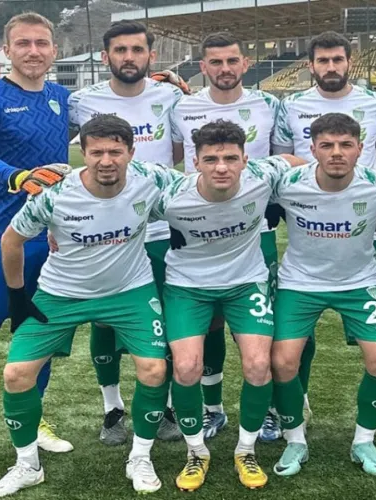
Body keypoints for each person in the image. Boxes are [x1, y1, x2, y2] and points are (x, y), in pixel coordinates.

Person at [0, 114, 181, 498]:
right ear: (83, 154)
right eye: (96, 153)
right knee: (16, 374)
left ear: (131, 152)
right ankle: (27, 465)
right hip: (61, 294)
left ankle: (140, 457)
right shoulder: (56, 194)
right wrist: (17, 297)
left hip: (129, 291)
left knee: (155, 369)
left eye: (115, 152)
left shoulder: (152, 178)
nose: (106, 161)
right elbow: (11, 240)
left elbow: (200, 190)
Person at [154, 120, 304, 491]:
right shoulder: (170, 194)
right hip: (188, 286)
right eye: (211, 159)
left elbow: (297, 162)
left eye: (230, 158)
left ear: (244, 159)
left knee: (258, 365)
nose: (221, 167)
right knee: (186, 368)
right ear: (195, 162)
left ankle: (245, 450)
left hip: (245, 283)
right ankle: (196, 453)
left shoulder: (261, 177)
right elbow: (120, 202)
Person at [0, 11, 72, 475]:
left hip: (50, 236)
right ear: (7, 50)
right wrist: (18, 177)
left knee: (38, 329)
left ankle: (32, 417)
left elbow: (116, 120)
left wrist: (163, 88)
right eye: (23, 43)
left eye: (41, 43)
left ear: (54, 51)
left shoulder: (63, 98)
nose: (33, 51)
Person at [268, 113, 376, 478]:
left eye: (346, 145)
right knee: (283, 363)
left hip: (358, 282)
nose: (336, 153)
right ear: (313, 149)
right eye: (327, 145)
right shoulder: (288, 183)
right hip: (300, 283)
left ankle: (363, 440)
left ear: (360, 149)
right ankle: (295, 440)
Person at [272, 30, 376, 439]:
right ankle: (298, 402)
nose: (331, 67)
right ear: (310, 65)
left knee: (374, 343)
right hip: (308, 225)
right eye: (323, 60)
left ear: (349, 62)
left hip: (362, 227)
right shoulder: (291, 105)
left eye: (337, 59)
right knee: (295, 340)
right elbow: (280, 155)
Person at [67, 19, 187, 447]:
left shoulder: (171, 96)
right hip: (104, 231)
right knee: (104, 319)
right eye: (120, 50)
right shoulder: (81, 101)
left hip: (159, 228)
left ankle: (165, 405)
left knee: (164, 317)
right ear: (106, 57)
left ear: (151, 56)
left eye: (137, 50)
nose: (129, 57)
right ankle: (112, 408)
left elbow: (179, 150)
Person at [169, 31, 292, 441]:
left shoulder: (269, 104)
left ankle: (270, 409)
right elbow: (173, 159)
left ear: (245, 63)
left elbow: (286, 158)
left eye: (232, 60)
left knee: (261, 330)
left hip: (254, 228)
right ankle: (212, 409)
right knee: (209, 325)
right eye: (216, 62)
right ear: (203, 67)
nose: (225, 68)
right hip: (197, 227)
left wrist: (279, 202)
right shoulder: (182, 106)